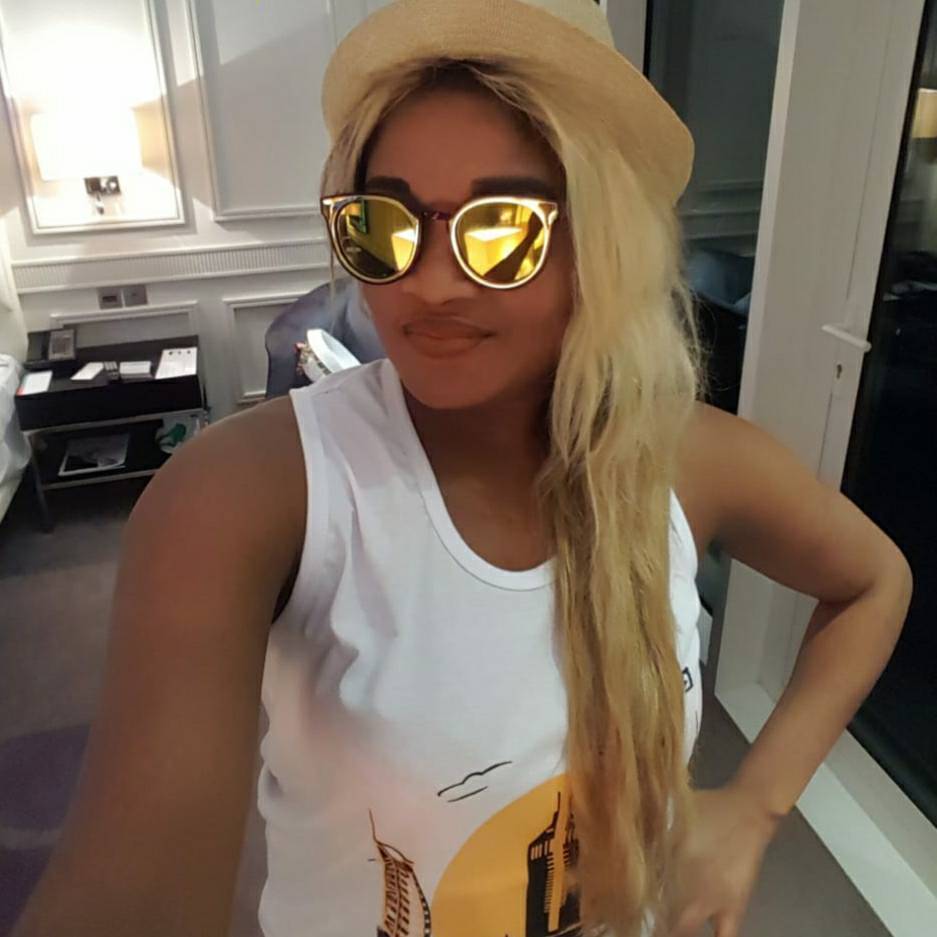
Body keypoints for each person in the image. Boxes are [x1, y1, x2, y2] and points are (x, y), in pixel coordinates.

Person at [12, 2, 913, 937]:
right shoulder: (249, 493)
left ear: (598, 242)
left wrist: (754, 808)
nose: (431, 282)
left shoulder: (686, 458)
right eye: (383, 222)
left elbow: (873, 581)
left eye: (502, 227)